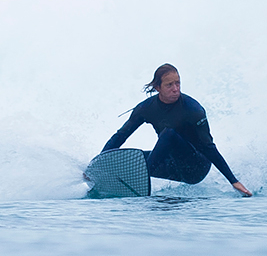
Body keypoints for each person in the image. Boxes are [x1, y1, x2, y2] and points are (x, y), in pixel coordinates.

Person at [104, 64, 252, 197]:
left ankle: (141, 179)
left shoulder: (193, 110)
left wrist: (233, 181)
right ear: (158, 88)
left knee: (168, 134)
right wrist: (98, 162)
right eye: (169, 85)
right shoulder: (145, 108)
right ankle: (105, 179)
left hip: (196, 168)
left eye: (177, 83)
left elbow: (208, 147)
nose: (175, 89)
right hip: (171, 165)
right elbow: (121, 135)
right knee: (131, 157)